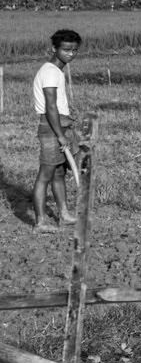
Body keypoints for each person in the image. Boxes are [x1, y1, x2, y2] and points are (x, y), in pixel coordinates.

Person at [32, 29, 83, 231]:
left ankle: (64, 214)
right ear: (54, 49)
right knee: (45, 174)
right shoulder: (50, 72)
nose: (70, 54)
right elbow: (50, 106)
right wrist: (61, 136)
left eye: (74, 50)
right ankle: (41, 222)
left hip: (60, 126)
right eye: (66, 50)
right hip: (52, 128)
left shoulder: (56, 71)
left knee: (59, 173)